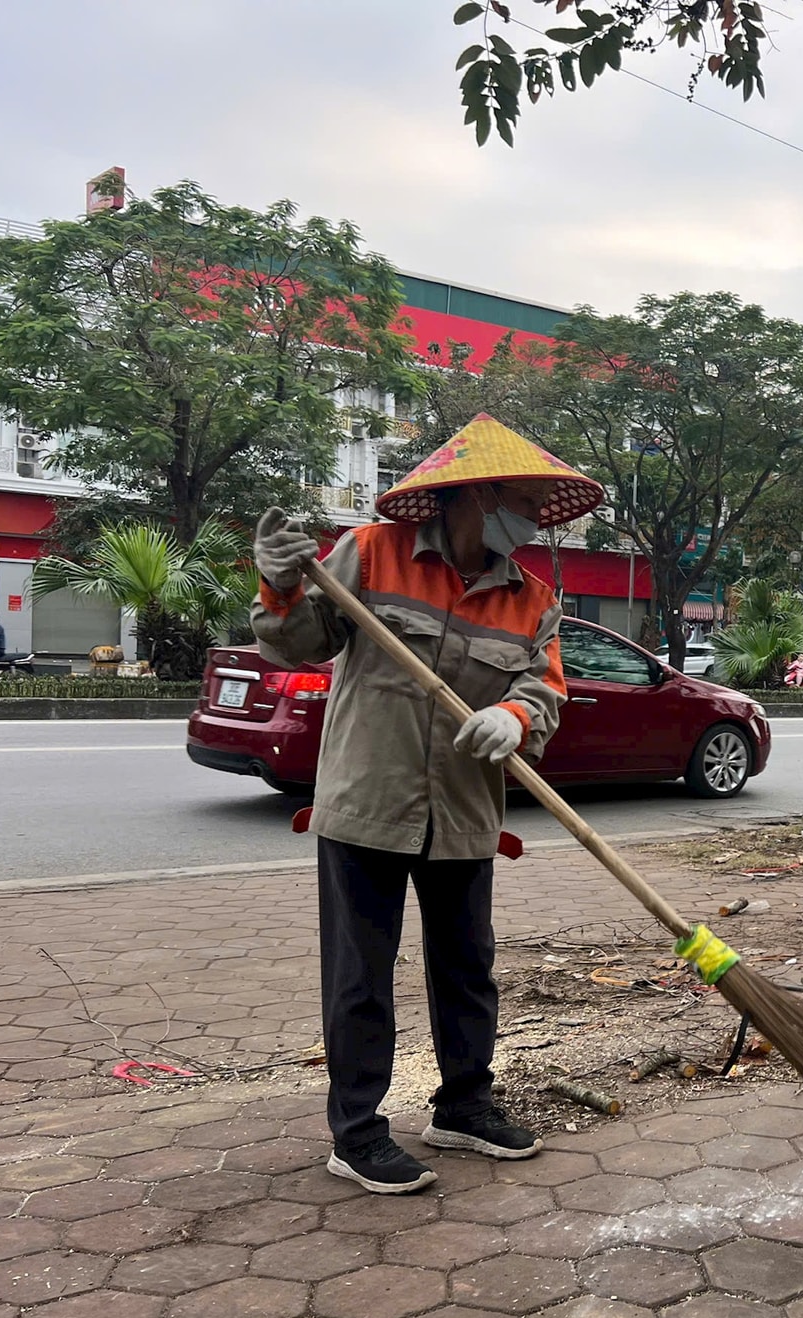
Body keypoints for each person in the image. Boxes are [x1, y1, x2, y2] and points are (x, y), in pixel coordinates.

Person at [251, 413, 602, 1195]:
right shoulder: (370, 555)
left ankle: (464, 1107)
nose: (529, 518)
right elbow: (298, 641)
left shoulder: (530, 597)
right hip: (368, 802)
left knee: (468, 967)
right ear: (474, 494)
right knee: (360, 977)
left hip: (465, 813)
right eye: (519, 499)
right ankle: (357, 1133)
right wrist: (280, 582)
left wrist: (513, 717)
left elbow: (543, 687)